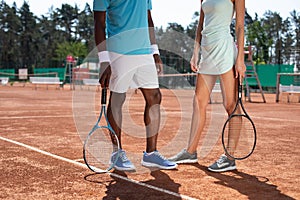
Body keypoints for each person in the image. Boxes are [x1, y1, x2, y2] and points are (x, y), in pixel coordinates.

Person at [93, 0, 177, 171]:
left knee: (155, 97)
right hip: (118, 51)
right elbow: (99, 23)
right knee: (118, 98)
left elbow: (148, 19)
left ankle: (151, 154)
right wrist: (104, 60)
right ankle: (117, 153)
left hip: (144, 51)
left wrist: (155, 51)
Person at [168, 0, 246, 172]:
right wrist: (195, 53)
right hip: (207, 51)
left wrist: (240, 59)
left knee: (231, 105)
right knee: (198, 101)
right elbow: (200, 24)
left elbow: (240, 26)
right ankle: (190, 152)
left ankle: (230, 157)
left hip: (224, 49)